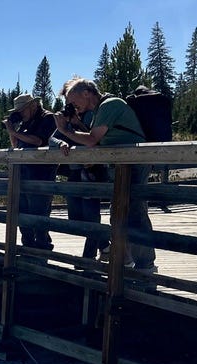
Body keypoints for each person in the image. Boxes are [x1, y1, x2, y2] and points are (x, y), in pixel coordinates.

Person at [53, 77, 155, 272]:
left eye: (74, 102)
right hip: (121, 165)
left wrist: (64, 130)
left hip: (134, 163)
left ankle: (145, 266)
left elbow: (92, 140)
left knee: (134, 213)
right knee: (118, 214)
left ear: (86, 93)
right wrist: (76, 124)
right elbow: (98, 139)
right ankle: (124, 261)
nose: (73, 107)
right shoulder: (98, 111)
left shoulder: (110, 104)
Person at [50, 103, 109, 261]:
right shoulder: (66, 125)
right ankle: (104, 244)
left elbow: (95, 138)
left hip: (91, 174)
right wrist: (61, 143)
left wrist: (78, 124)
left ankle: (88, 257)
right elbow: (52, 139)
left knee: (92, 215)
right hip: (75, 173)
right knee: (75, 217)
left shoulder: (91, 116)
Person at [4, 93, 57, 251]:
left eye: (22, 110)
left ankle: (42, 245)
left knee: (38, 209)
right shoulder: (26, 121)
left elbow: (38, 141)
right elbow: (17, 145)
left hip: (41, 172)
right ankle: (28, 244)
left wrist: (14, 132)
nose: (20, 113)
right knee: (22, 209)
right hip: (24, 171)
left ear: (33, 105)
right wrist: (12, 131)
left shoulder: (47, 118)